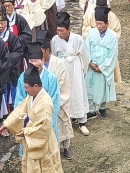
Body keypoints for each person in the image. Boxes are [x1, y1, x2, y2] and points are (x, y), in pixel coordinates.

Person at [0, 65, 68, 173]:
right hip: (36, 138)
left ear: (35, 86)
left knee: (36, 169)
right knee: (48, 166)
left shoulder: (45, 102)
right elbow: (20, 110)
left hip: (41, 138)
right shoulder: (31, 97)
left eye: (27, 87)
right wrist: (7, 124)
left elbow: (44, 125)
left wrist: (27, 131)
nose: (25, 89)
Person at [38, 30, 77, 158]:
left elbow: (61, 82)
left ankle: (66, 146)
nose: (39, 55)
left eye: (41, 51)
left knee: (61, 120)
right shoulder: (37, 63)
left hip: (58, 97)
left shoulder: (58, 63)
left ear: (48, 50)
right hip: (41, 99)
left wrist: (51, 97)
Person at [51, 12, 90, 135]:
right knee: (64, 93)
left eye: (62, 30)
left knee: (78, 92)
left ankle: (82, 121)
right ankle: (67, 118)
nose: (59, 33)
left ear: (69, 29)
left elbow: (85, 56)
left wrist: (83, 69)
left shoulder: (78, 39)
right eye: (57, 30)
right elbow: (54, 56)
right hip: (62, 68)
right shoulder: (55, 40)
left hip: (75, 68)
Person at [14, 42, 60, 146]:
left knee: (48, 147)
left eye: (36, 60)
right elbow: (19, 99)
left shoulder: (51, 78)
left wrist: (42, 115)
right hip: (28, 118)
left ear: (43, 60)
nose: (34, 64)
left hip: (45, 116)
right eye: (31, 61)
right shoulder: (23, 77)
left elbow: (55, 100)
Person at [85, 7, 118, 120]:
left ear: (107, 24)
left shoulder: (113, 36)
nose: (98, 26)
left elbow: (113, 54)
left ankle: (102, 108)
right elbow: (86, 48)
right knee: (90, 86)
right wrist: (90, 63)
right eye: (97, 23)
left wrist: (102, 67)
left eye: (101, 24)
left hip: (104, 67)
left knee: (103, 86)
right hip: (92, 66)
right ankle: (91, 110)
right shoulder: (91, 33)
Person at [82, 0, 122, 83]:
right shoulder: (90, 13)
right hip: (94, 46)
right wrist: (95, 32)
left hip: (107, 48)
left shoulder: (111, 16)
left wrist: (107, 35)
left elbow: (117, 30)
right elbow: (85, 28)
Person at [0, 4, 25, 116]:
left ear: (6, 24)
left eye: (2, 23)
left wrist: (6, 60)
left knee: (11, 89)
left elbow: (18, 51)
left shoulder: (10, 36)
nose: (0, 26)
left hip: (9, 69)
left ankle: (13, 110)